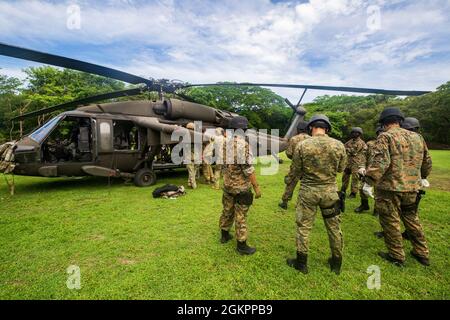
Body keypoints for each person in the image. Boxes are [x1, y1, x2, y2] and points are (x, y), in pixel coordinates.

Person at [364, 107, 432, 267]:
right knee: (412, 219)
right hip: (412, 188)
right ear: (400, 120)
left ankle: (396, 256)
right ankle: (422, 253)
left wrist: (368, 182)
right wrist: (423, 177)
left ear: (383, 123)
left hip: (389, 189)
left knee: (390, 221)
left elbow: (381, 163)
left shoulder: (385, 137)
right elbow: (427, 161)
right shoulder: (417, 137)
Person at [286, 115, 347, 274]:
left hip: (308, 192)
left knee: (304, 227)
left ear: (311, 128)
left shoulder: (302, 145)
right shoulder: (338, 145)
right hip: (330, 193)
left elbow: (296, 169)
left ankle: (301, 263)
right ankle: (336, 262)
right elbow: (341, 168)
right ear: (327, 129)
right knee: (334, 227)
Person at [219, 116, 261, 255]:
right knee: (240, 215)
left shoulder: (225, 143)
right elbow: (248, 169)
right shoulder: (243, 145)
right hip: (241, 188)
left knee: (227, 210)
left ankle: (224, 235)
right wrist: (256, 187)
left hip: (227, 185)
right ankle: (241, 245)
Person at [279, 120, 310, 210]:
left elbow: (289, 153)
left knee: (291, 184)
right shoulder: (311, 139)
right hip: (307, 167)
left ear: (298, 129)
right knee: (306, 185)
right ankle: (301, 204)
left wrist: (294, 159)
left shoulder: (294, 139)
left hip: (296, 166)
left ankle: (285, 202)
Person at [354, 126, 383, 213]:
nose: (381, 134)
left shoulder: (389, 144)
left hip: (382, 171)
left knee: (378, 190)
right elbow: (363, 156)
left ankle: (377, 209)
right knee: (362, 188)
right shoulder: (370, 144)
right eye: (379, 133)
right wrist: (362, 166)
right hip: (369, 170)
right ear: (377, 134)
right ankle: (364, 205)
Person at [341, 127, 367, 198]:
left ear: (359, 134)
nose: (354, 134)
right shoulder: (350, 141)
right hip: (348, 163)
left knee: (354, 179)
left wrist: (346, 149)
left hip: (356, 163)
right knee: (345, 177)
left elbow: (354, 151)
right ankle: (343, 190)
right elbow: (343, 147)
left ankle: (353, 193)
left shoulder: (361, 143)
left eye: (356, 132)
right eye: (353, 132)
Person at [185, 122, 199, 189]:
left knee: (191, 172)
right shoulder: (196, 136)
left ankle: (193, 185)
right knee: (193, 171)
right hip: (196, 156)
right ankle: (190, 183)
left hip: (189, 156)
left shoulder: (185, 135)